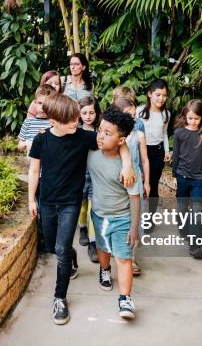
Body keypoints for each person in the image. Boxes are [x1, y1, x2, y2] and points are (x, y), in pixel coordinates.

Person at [28, 93, 135, 325]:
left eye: (76, 118)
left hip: (70, 203)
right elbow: (34, 171)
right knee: (56, 246)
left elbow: (120, 141)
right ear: (53, 121)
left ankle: (59, 298)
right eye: (69, 120)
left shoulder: (83, 137)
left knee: (62, 248)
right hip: (46, 201)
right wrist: (31, 199)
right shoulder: (41, 140)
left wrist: (127, 164)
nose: (74, 123)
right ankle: (71, 256)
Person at [87, 107, 140, 319]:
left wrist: (134, 227)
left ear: (121, 140)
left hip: (122, 218)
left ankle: (125, 299)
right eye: (100, 130)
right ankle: (104, 270)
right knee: (102, 248)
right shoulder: (91, 151)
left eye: (107, 134)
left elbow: (134, 197)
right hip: (98, 214)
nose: (100, 136)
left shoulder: (128, 167)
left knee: (124, 258)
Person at [113, 97, 150, 276]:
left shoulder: (139, 134)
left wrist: (147, 182)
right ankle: (118, 252)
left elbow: (144, 159)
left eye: (134, 115)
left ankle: (133, 258)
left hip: (135, 181)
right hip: (116, 183)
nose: (133, 118)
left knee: (136, 219)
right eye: (129, 115)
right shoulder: (113, 135)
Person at [172, 99, 202, 259]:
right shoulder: (179, 133)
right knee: (181, 206)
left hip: (199, 179)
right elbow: (176, 156)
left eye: (196, 118)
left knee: (197, 211)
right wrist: (175, 175)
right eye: (190, 118)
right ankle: (183, 229)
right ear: (185, 117)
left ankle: (196, 247)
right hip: (182, 176)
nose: (193, 121)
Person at [136, 79, 171, 230]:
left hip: (157, 152)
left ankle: (149, 219)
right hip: (140, 152)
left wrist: (167, 150)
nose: (161, 98)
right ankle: (135, 218)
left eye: (164, 95)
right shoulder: (139, 111)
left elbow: (164, 134)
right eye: (158, 94)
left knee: (153, 186)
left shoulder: (166, 114)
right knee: (139, 185)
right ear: (150, 94)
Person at [77, 96, 101, 263]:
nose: (88, 116)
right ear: (79, 114)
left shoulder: (100, 131)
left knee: (94, 207)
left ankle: (93, 243)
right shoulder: (75, 131)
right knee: (83, 206)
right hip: (79, 175)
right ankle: (83, 228)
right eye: (84, 112)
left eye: (91, 112)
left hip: (96, 175)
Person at [18, 85, 54, 154]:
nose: (42, 107)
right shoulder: (28, 122)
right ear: (35, 102)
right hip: (31, 162)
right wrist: (27, 143)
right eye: (40, 103)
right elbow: (19, 146)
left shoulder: (54, 123)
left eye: (46, 104)